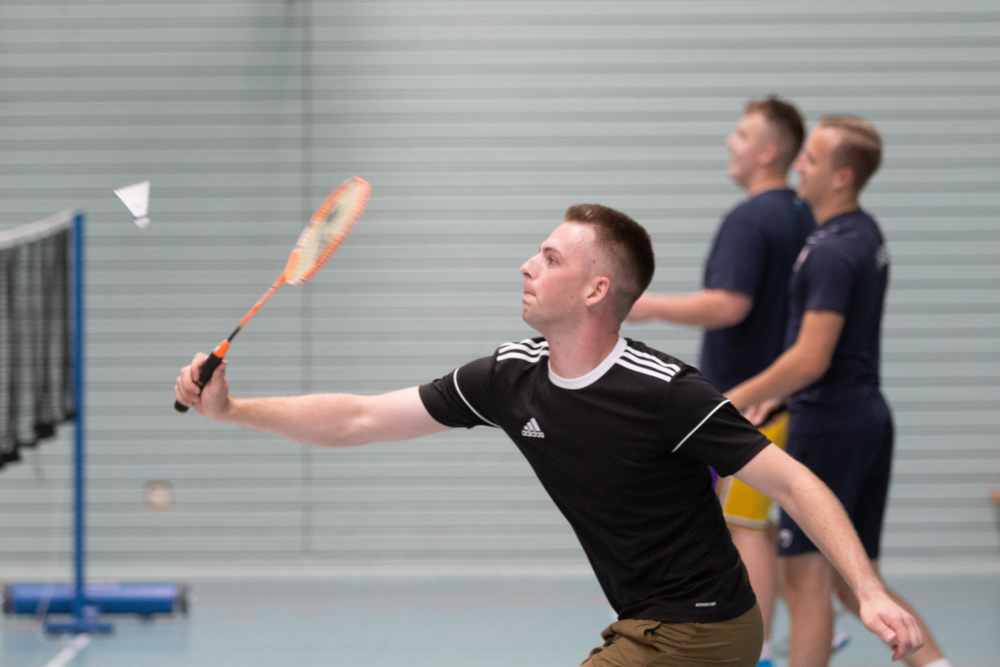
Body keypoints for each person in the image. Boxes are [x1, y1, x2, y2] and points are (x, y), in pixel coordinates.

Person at [176, 204, 923, 667]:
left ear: (597, 290)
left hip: (700, 631)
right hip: (643, 619)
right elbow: (363, 417)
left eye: (551, 257)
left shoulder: (664, 391)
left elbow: (792, 480)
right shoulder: (509, 376)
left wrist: (868, 588)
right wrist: (236, 409)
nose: (527, 264)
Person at [726, 117, 950, 667]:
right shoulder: (864, 234)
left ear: (843, 176)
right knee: (856, 583)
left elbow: (810, 358)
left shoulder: (831, 251)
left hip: (830, 423)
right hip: (866, 416)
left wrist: (733, 397)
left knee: (804, 580)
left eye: (813, 159)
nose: (799, 164)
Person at [627, 96, 813, 667]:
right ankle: (811, 631)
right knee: (780, 528)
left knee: (743, 523)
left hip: (752, 402)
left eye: (740, 133)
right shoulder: (804, 215)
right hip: (793, 399)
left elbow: (731, 304)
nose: (729, 143)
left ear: (767, 150)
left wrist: (651, 306)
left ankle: (753, 652)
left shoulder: (751, 218)